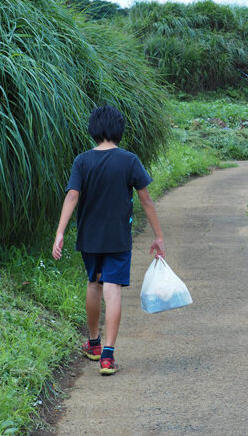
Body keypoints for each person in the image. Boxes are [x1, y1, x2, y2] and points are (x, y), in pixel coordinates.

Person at [52, 105, 165, 375]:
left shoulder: (82, 161)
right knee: (112, 290)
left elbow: (72, 196)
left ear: (93, 130)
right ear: (119, 130)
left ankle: (93, 344)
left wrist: (60, 232)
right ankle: (107, 357)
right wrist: (158, 235)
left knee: (94, 284)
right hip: (117, 238)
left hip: (89, 236)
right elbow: (146, 199)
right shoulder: (129, 160)